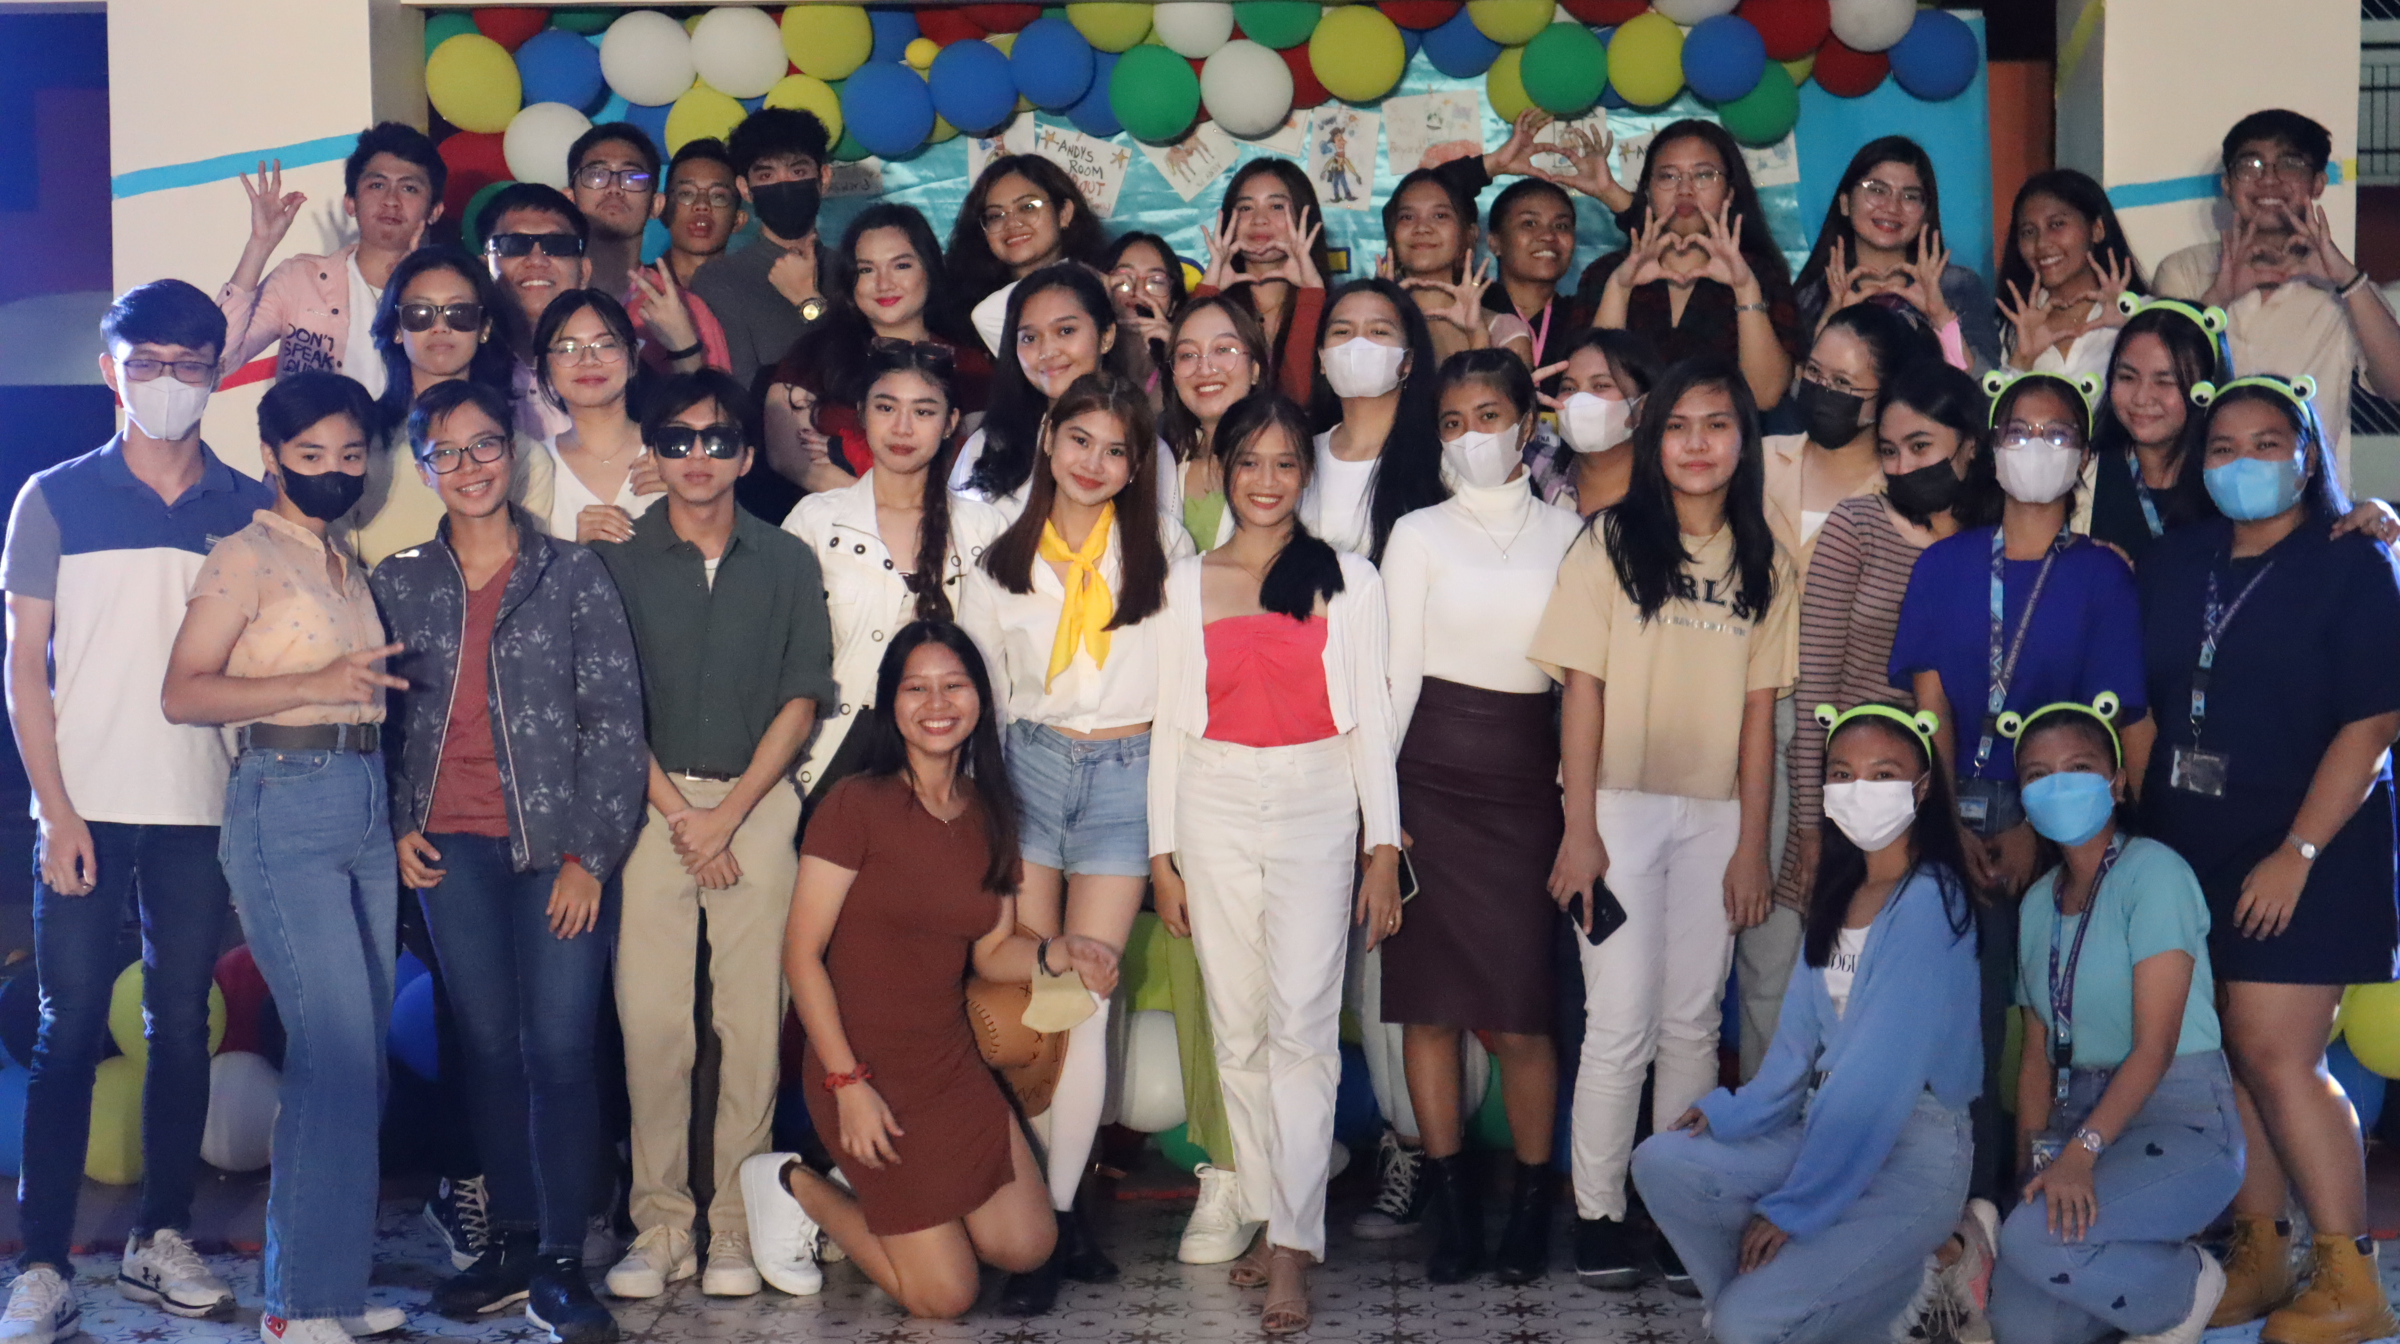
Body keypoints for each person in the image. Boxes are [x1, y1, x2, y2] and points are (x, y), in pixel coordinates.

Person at [0, 282, 277, 1344]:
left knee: (180, 1028)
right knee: (67, 1029)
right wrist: (55, 807)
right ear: (110, 371)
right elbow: (24, 668)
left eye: (189, 364)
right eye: (146, 362)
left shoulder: (249, 504)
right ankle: (40, 1264)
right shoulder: (53, 497)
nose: (167, 382)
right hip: (84, 806)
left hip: (201, 805)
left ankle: (162, 1236)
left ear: (215, 373)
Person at [739, 623, 1121, 1320]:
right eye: (916, 688)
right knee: (945, 1297)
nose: (937, 703)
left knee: (1029, 1246)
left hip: (947, 1064)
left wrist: (1058, 952)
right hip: (859, 1065)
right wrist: (848, 1083)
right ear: (892, 704)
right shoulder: (855, 804)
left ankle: (920, 1218)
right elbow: (801, 954)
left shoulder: (988, 813)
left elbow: (991, 953)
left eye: (954, 685)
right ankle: (793, 1183)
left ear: (980, 700)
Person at [370, 378, 646, 1343]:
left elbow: (615, 723)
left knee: (560, 1048)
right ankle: (516, 1244)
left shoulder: (572, 573)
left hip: (556, 850)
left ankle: (564, 1260)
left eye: (485, 445)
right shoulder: (399, 581)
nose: (470, 466)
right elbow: (381, 719)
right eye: (446, 452)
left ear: (513, 453)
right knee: (486, 1049)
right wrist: (396, 821)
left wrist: (590, 858)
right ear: (423, 467)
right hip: (449, 852)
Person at [2138, 375, 2400, 1340]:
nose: (2243, 463)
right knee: (2228, 1058)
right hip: (2192, 842)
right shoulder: (2180, 559)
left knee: (2277, 1053)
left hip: (2310, 844)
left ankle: (2352, 1276)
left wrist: (2298, 850)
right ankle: (2264, 1247)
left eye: (2267, 444)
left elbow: (2374, 723)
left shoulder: (2353, 559)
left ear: (2307, 455)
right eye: (2222, 447)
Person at [1530, 356, 1797, 1290]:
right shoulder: (1608, 542)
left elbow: (1760, 718)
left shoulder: (1766, 557)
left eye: (1716, 425)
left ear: (1743, 442)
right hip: (1617, 812)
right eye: (1678, 426)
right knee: (1618, 1023)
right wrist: (1579, 828)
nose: (1696, 444)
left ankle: (1678, 1212)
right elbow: (1581, 694)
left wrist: (1753, 846)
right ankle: (1599, 1214)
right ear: (1653, 439)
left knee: (1691, 1024)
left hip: (1717, 815)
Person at [1149, 391, 1404, 1334]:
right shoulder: (1186, 581)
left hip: (1315, 801)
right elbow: (1171, 726)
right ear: (1223, 468)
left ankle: (1294, 1245)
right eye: (1248, 462)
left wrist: (1384, 846)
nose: (1266, 481)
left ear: (1307, 473)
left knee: (1302, 1027)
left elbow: (1372, 721)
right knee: (1237, 1028)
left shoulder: (1349, 578)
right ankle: (1268, 1211)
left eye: (1285, 463)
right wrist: (1163, 854)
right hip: (1210, 801)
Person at [158, 372, 403, 1344]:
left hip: (364, 798)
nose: (335, 471)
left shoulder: (345, 561)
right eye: (312, 456)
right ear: (271, 457)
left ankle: (328, 1290)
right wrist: (316, 680)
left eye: (351, 455)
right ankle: (296, 1307)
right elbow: (184, 692)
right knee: (333, 1054)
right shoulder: (244, 556)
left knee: (360, 1062)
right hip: (285, 799)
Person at [590, 371, 836, 1301]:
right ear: (653, 451)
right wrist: (683, 816)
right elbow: (608, 705)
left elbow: (802, 695)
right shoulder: (616, 559)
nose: (698, 456)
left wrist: (727, 816)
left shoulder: (785, 559)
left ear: (744, 453)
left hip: (756, 804)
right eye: (678, 439)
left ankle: (734, 1223)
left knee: (751, 1024)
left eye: (718, 439)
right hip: (651, 806)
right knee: (653, 1023)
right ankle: (661, 1226)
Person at [1632, 703, 1980, 1343]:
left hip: (1913, 1148)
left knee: (1744, 1324)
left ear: (1922, 787)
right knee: (1663, 1162)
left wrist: (1796, 1209)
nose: (1858, 790)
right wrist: (1733, 1113)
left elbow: (1877, 1078)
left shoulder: (1931, 899)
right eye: (1842, 774)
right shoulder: (1841, 893)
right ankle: (1793, 1307)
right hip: (1827, 1124)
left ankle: (1904, 1283)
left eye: (1883, 774)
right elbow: (1796, 1045)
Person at [957, 371, 1185, 1314]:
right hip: (1030, 767)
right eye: (1080, 440)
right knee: (1032, 989)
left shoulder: (1165, 550)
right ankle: (1036, 1216)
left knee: (1085, 992)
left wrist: (1170, 826)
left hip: (1128, 771)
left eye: (1116, 450)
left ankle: (1055, 1216)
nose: (1094, 463)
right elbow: (983, 699)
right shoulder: (997, 561)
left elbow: (1181, 693)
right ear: (1050, 439)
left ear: (1136, 466)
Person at [1379, 350, 1582, 1285]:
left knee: (1526, 1015)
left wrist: (1576, 804)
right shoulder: (1416, 532)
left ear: (1527, 425)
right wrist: (1380, 820)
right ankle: (1456, 1215)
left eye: (1489, 416)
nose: (1472, 436)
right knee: (1429, 1011)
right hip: (1427, 782)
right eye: (1453, 422)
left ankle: (1532, 1210)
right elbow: (1394, 680)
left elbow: (1580, 682)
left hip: (1527, 785)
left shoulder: (1570, 534)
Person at [1987, 698, 2243, 1344]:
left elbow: (2156, 1046)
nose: (2058, 785)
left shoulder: (2154, 873)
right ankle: (2124, 1273)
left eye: (2078, 767)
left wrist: (2080, 1155)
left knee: (2035, 1241)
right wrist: (2034, 1165)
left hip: (2177, 1118)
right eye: (2038, 774)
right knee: (2022, 1327)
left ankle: (2188, 1285)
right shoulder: (2038, 904)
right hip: (2077, 1119)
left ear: (2117, 781)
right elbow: (2036, 1055)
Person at [1779, 360, 2002, 917]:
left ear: (1970, 445)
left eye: (1921, 446)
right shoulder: (1856, 526)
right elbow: (1815, 690)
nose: (1903, 467)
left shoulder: (2001, 544)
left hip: (1955, 797)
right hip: (1849, 795)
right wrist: (1811, 827)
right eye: (1889, 451)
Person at [782, 343, 1008, 806]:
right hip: (834, 750)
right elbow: (780, 655)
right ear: (862, 414)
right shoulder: (817, 521)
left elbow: (999, 667)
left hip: (947, 753)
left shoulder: (985, 528)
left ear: (951, 423)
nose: (903, 428)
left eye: (923, 412)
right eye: (886, 408)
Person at [2152, 109, 2400, 485]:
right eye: (2250, 165)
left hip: (2309, 502)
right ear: (2227, 184)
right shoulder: (2185, 271)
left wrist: (2347, 280)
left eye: (2290, 164)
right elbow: (2158, 382)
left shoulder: (2347, 289)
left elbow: (2395, 386)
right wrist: (2220, 296)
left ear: (2318, 183)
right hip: (2196, 497)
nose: (2268, 179)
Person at [767, 203, 990, 494]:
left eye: (901, 265)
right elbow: (787, 457)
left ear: (930, 269)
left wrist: (905, 509)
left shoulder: (968, 363)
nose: (884, 283)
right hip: (837, 514)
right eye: (867, 269)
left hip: (941, 514)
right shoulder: (814, 354)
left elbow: (976, 463)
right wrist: (876, 508)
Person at [355, 247, 555, 566]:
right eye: (420, 314)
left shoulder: (526, 457)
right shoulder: (358, 446)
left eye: (459, 313)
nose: (440, 327)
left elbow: (527, 572)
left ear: (484, 327)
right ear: (396, 328)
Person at [1584, 121, 1801, 409]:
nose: (1685, 190)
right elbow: (1589, 397)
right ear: (1646, 191)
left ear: (1729, 192)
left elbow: (1764, 397)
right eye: (1668, 176)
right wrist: (1619, 290)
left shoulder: (1761, 275)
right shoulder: (1606, 273)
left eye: (1704, 175)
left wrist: (1745, 290)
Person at [218, 123, 445, 397]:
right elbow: (219, 359)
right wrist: (259, 245)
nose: (391, 201)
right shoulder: (300, 279)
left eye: (409, 188)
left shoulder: (449, 291)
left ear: (435, 210)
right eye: (377, 185)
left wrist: (415, 286)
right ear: (350, 202)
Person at [1791, 135, 2002, 374]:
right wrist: (1830, 322)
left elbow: (1989, 389)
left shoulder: (1957, 287)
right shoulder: (1812, 297)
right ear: (1845, 203)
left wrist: (1940, 317)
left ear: (1925, 213)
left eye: (1910, 196)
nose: (1892, 207)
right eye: (1877, 190)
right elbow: (1799, 394)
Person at [952, 264, 1140, 518]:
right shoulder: (989, 444)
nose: (1047, 351)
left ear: (1106, 336)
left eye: (1065, 331)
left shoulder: (1140, 440)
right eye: (1030, 338)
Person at [688, 109, 836, 391]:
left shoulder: (855, 269)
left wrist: (809, 302)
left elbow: (863, 373)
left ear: (824, 178)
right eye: (766, 175)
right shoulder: (721, 280)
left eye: (798, 172)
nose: (784, 184)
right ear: (745, 188)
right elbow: (742, 393)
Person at [1303, 278, 1448, 562]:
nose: (1358, 343)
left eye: (1378, 331)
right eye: (1342, 331)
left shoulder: (1444, 459)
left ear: (1408, 361)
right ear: (1322, 358)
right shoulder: (1298, 458)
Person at [565, 122, 723, 378]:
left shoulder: (688, 310)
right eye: (596, 175)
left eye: (633, 177)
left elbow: (718, 401)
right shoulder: (546, 294)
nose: (614, 188)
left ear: (656, 205)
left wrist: (683, 348)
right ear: (569, 199)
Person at [2080, 298, 2230, 564]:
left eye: (2164, 382)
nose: (2141, 397)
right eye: (2127, 377)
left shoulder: (2231, 481)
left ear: (2206, 387)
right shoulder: (2083, 473)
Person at [531, 289, 660, 545]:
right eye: (568, 348)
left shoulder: (672, 451)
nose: (588, 360)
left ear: (633, 358)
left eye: (606, 345)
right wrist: (577, 556)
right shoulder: (533, 468)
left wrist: (687, 497)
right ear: (545, 369)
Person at [1194, 159, 1330, 401]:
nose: (1259, 219)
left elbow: (1297, 400)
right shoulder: (1209, 300)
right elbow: (1187, 382)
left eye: (1276, 206)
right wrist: (1208, 291)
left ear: (1303, 215)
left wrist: (1311, 294)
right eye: (1246, 208)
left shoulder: (1334, 309)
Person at [1996, 169, 2146, 381]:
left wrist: (2132, 327)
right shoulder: (2011, 330)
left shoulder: (2144, 313)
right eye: (2028, 232)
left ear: (2097, 229)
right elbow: (1992, 401)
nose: (2042, 243)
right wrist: (2021, 361)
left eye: (2056, 225)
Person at [1378, 167, 1528, 367]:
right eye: (1407, 217)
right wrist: (1379, 314)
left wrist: (1478, 336)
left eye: (1440, 215)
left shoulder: (1505, 332)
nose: (1422, 227)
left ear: (1469, 235)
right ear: (1392, 235)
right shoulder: (1365, 321)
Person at [946, 155, 1106, 339]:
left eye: (1028, 207)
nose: (1012, 223)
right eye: (995, 216)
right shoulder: (968, 312)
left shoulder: (1102, 289)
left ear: (1064, 213)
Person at [1160, 295, 1269, 553]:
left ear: (1255, 369)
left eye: (1223, 350)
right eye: (1188, 355)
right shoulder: (1161, 461)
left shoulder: (1286, 462)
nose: (1205, 369)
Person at [1524, 328, 1660, 513]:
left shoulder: (1668, 493)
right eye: (1569, 388)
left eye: (1601, 386)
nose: (1579, 400)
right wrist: (1511, 401)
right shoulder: (1537, 467)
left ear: (1643, 406)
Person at [1101, 231, 1186, 404]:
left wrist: (1180, 350)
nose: (1138, 291)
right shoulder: (1089, 359)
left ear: (1173, 304)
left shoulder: (1180, 367)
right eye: (1124, 280)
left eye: (1155, 281)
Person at [658, 138, 744, 290]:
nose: (702, 205)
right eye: (686, 194)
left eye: (718, 196)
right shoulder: (634, 289)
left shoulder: (754, 293)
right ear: (663, 211)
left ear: (738, 220)